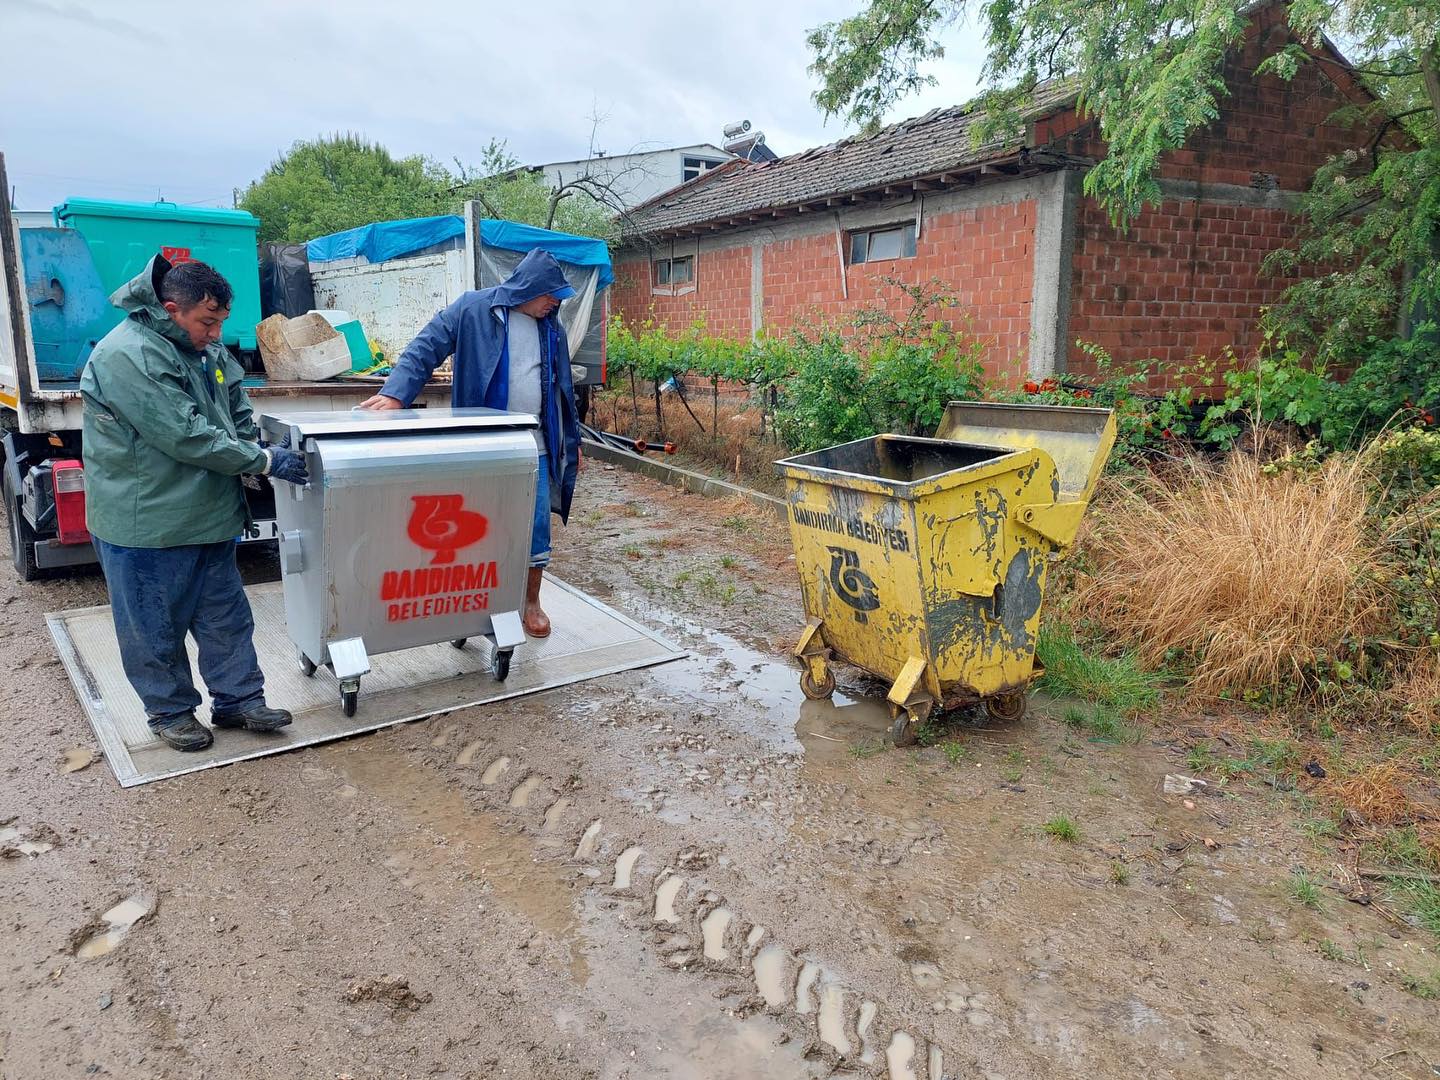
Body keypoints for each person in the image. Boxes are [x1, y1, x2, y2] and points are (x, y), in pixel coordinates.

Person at [80, 256, 310, 752]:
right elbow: (183, 435)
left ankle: (238, 700)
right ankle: (169, 712)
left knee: (225, 617)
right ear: (170, 309)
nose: (216, 331)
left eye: (222, 321)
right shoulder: (131, 355)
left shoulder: (203, 348)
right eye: (208, 322)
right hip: (148, 522)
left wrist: (253, 451)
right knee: (154, 626)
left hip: (208, 513)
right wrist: (265, 461)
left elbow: (235, 403)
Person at [359, 248, 580, 638]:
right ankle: (474, 603)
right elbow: (426, 345)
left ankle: (530, 603)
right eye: (551, 295)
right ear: (529, 288)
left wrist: (572, 440)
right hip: (485, 447)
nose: (555, 303)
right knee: (478, 528)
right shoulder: (474, 310)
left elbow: (563, 389)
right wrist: (396, 394)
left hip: (536, 447)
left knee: (535, 526)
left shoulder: (551, 327)